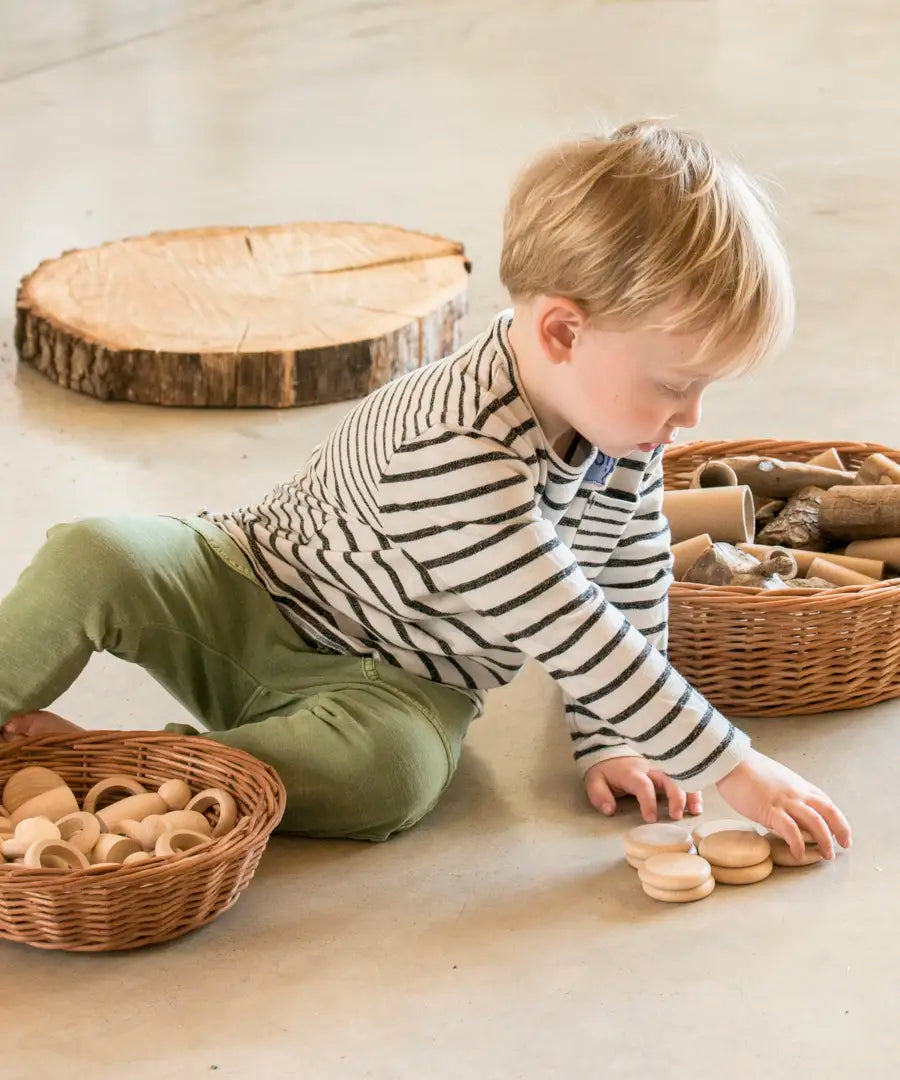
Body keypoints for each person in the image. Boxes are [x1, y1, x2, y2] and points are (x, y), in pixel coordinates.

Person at [0, 120, 850, 858]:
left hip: (397, 687)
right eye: (673, 385)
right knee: (97, 551)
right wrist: (734, 767)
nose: (689, 418)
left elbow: (626, 584)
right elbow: (569, 624)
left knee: (394, 776)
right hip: (245, 586)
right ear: (563, 331)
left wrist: (615, 741)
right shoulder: (454, 448)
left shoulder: (615, 429)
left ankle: (141, 766)